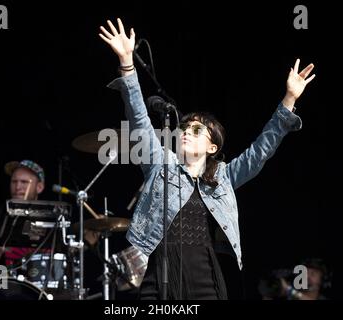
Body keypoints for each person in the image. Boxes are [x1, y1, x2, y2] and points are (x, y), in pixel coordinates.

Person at [99, 18, 315, 300]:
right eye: (185, 128)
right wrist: (127, 63)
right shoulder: (160, 163)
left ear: (213, 147)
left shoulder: (223, 177)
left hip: (204, 277)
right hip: (157, 273)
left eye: (197, 130)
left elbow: (260, 151)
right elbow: (138, 118)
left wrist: (288, 100)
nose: (187, 132)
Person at [0, 159, 100, 268]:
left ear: (39, 187)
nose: (18, 187)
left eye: (24, 182)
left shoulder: (53, 215)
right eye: (14, 182)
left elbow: (67, 253)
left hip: (45, 285)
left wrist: (88, 241)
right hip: (6, 283)